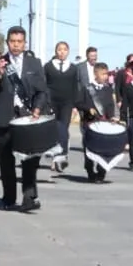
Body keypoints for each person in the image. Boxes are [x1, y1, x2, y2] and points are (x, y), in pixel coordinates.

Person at [0, 26, 49, 210]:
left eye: (19, 42)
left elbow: (42, 91)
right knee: (6, 161)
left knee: (30, 160)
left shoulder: (34, 63)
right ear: (7, 42)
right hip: (5, 118)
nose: (16, 45)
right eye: (12, 41)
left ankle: (29, 197)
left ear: (25, 43)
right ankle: (8, 198)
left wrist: (37, 109)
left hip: (27, 118)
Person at [78, 62, 119, 183]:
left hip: (104, 123)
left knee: (105, 148)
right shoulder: (86, 88)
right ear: (95, 74)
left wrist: (112, 117)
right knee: (89, 149)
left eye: (106, 74)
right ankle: (90, 170)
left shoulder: (107, 89)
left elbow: (110, 105)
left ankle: (101, 172)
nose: (105, 76)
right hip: (90, 123)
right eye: (103, 74)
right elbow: (78, 102)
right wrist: (87, 109)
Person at [44, 40, 79, 174]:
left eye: (64, 49)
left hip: (67, 103)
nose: (62, 52)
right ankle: (54, 156)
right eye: (59, 49)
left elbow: (75, 87)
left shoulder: (73, 68)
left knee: (63, 128)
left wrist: (75, 105)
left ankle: (62, 156)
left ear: (68, 51)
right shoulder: (48, 66)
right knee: (53, 129)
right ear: (55, 51)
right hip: (51, 102)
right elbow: (44, 84)